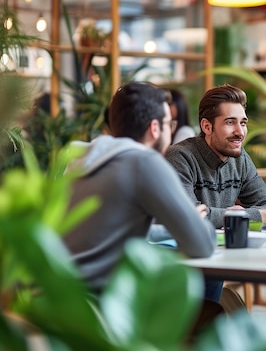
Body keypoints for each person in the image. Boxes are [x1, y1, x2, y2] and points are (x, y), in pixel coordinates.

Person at [64, 81, 217, 294]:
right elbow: (201, 245)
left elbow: (106, 234)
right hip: (97, 307)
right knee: (208, 308)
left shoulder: (83, 157)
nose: (170, 132)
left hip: (56, 296)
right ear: (155, 128)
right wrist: (194, 219)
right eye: (169, 124)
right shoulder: (144, 162)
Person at [165, 84, 266, 301]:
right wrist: (250, 216)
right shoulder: (180, 157)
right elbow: (191, 217)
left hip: (218, 261)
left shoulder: (239, 158)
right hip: (182, 267)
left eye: (243, 122)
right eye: (230, 122)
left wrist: (235, 215)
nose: (240, 132)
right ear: (207, 126)